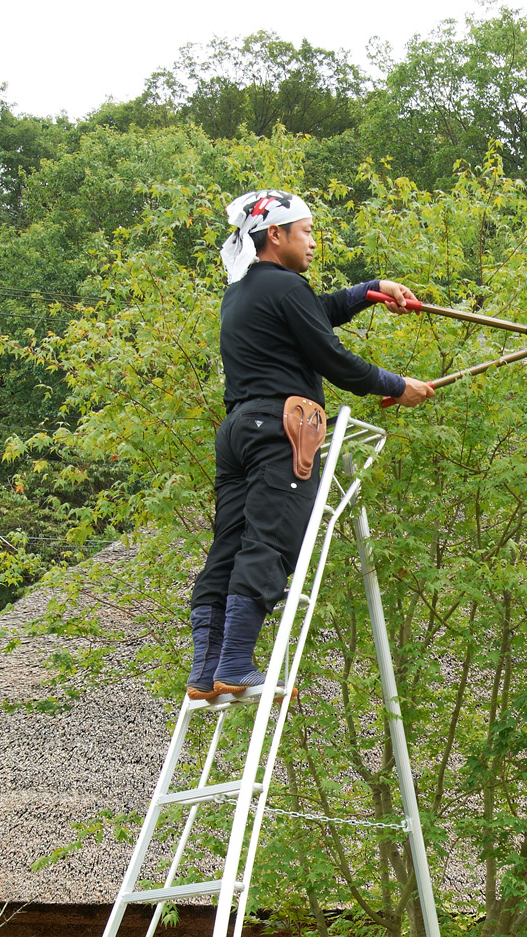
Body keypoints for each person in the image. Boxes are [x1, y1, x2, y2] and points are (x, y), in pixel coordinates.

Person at [189, 189, 437, 700]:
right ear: (274, 235)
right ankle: (235, 663)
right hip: (281, 431)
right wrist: (398, 386)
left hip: (238, 432)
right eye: (306, 232)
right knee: (271, 541)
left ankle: (206, 669)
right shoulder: (285, 287)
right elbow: (334, 359)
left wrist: (371, 290)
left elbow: (316, 311)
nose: (314, 243)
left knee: (228, 547)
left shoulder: (242, 291)